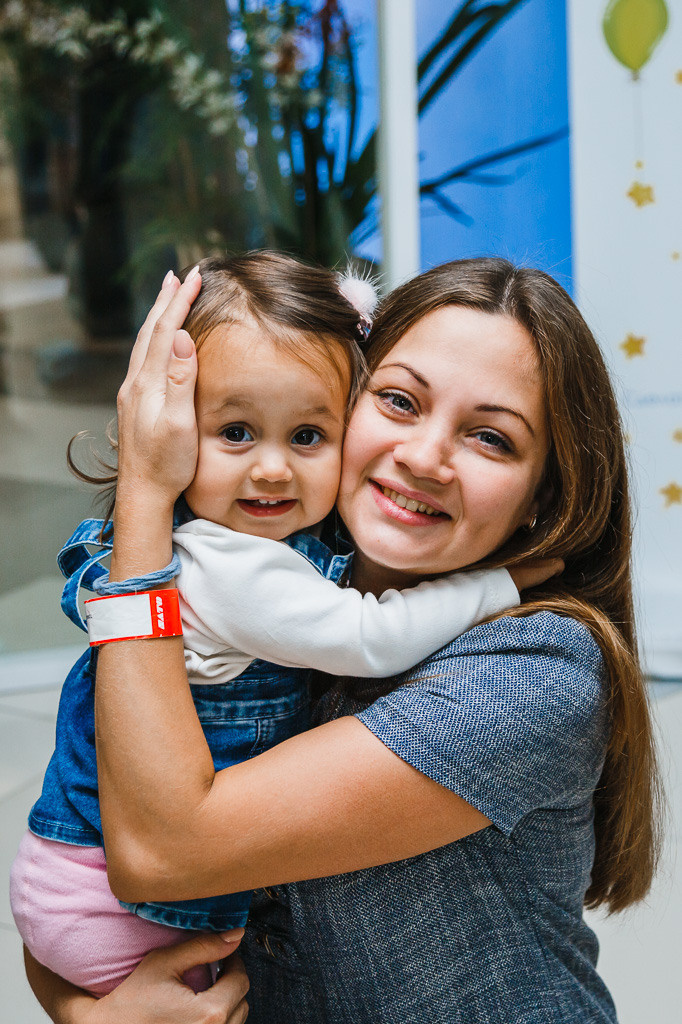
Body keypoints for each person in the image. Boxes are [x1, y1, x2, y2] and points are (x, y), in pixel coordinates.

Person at [25, 257, 661, 1023]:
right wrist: (82, 1010)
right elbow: (89, 830)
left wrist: (145, 497)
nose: (424, 457)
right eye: (398, 400)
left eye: (490, 438)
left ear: (542, 497)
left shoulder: (535, 675)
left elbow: (162, 851)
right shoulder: (259, 577)